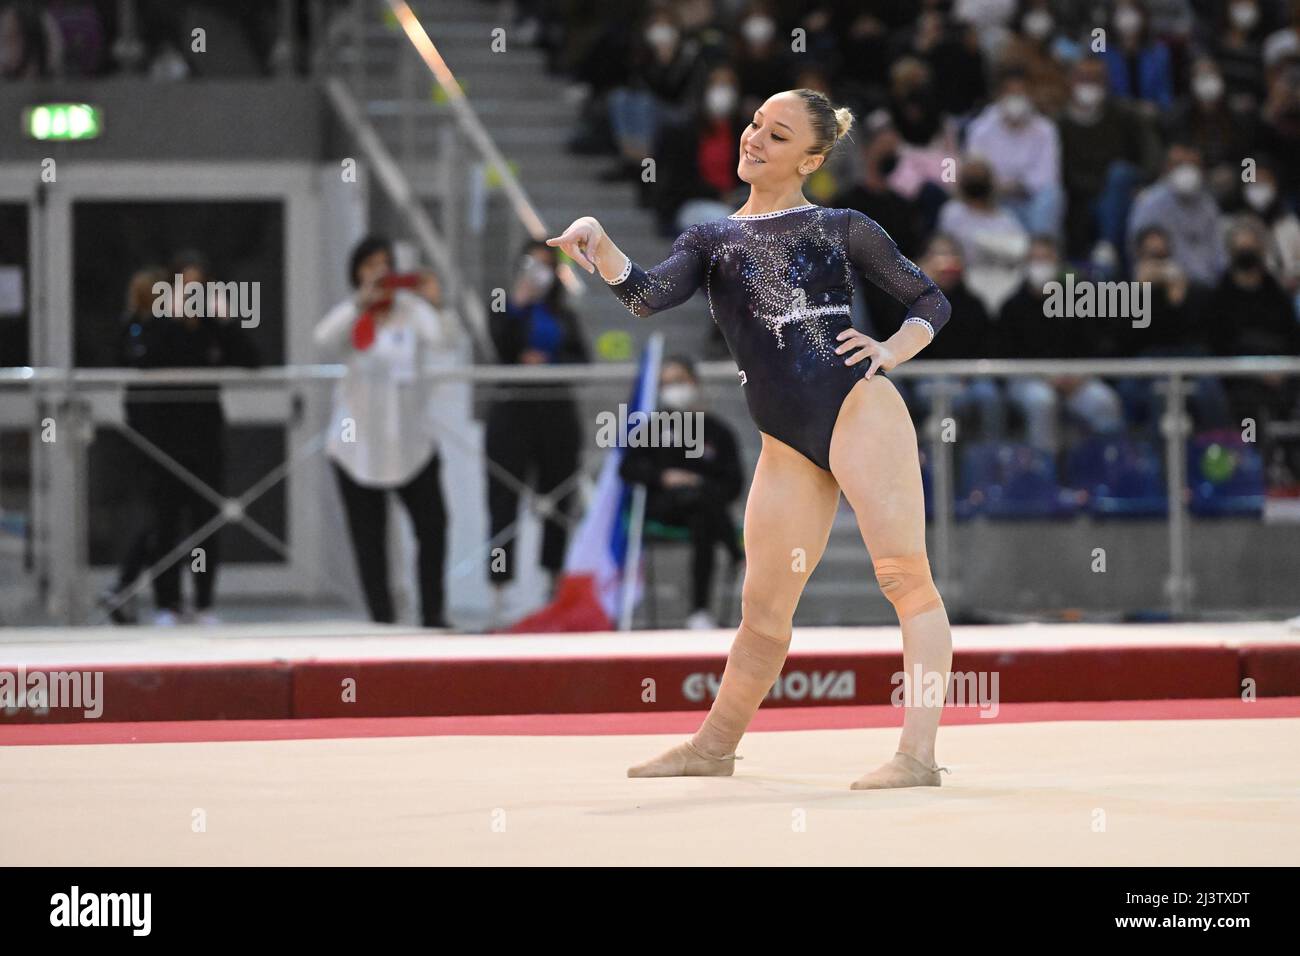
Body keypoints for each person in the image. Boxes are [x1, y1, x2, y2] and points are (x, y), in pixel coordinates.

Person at [549, 88, 955, 789]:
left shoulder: (840, 226)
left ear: (812, 158)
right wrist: (601, 241)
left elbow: (931, 299)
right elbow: (646, 297)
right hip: (785, 441)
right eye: (756, 124)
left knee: (905, 579)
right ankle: (713, 747)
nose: (755, 138)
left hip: (858, 408)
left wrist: (892, 349)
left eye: (778, 133)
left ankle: (917, 755)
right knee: (762, 613)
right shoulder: (710, 239)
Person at [313, 236, 453, 628]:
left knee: (433, 527)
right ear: (357, 271)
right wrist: (362, 301)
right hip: (357, 447)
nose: (378, 272)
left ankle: (433, 614)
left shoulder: (410, 312)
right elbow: (322, 339)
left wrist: (433, 300)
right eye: (369, 265)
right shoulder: (351, 314)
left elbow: (443, 338)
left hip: (412, 443)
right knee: (369, 542)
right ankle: (383, 621)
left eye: (385, 264)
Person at [134, 250, 260, 625]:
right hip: (166, 439)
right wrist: (168, 317)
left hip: (205, 439)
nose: (193, 295)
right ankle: (166, 603)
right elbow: (142, 360)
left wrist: (227, 321)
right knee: (165, 524)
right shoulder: (159, 325)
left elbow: (252, 359)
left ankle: (204, 603)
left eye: (199, 288)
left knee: (206, 523)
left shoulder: (212, 328)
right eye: (186, 287)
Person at [485, 240, 588, 611]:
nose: (540, 274)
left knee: (559, 500)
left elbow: (582, 358)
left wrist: (551, 360)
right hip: (512, 414)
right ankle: (500, 588)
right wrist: (520, 303)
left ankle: (553, 583)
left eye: (547, 266)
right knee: (502, 502)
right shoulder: (504, 305)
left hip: (556, 415)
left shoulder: (564, 314)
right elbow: (501, 346)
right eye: (533, 265)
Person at [619, 356, 744, 629]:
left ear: (694, 383)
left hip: (704, 511)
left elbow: (733, 483)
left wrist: (698, 484)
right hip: (664, 508)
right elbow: (628, 468)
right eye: (665, 383)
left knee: (702, 512)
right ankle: (735, 553)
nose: (672, 388)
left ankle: (699, 612)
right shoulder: (652, 428)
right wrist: (664, 477)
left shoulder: (718, 432)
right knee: (704, 509)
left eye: (678, 381)